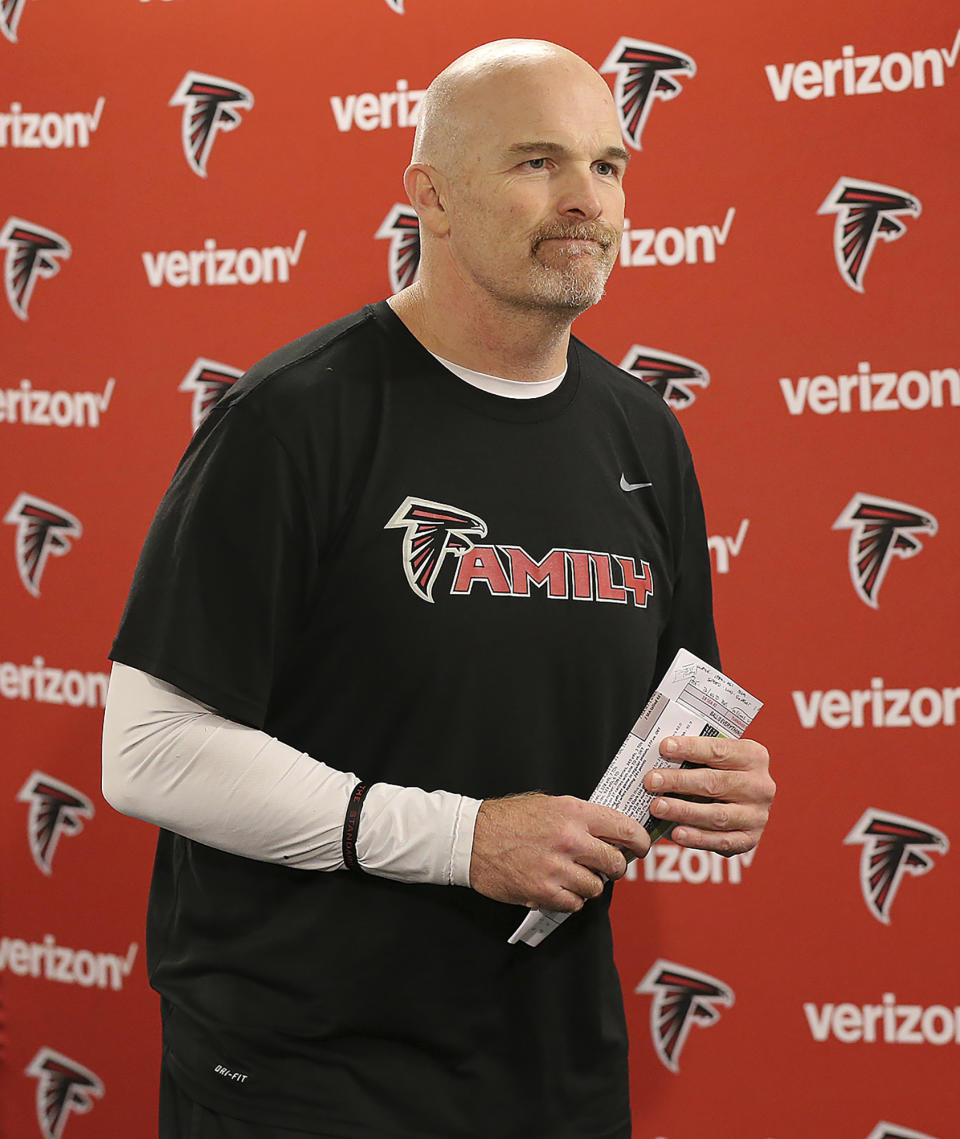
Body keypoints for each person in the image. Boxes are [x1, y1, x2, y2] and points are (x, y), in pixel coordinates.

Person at [102, 38, 775, 1139]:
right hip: (310, 1070)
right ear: (431, 195)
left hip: (554, 1064)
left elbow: (668, 716)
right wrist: (461, 837)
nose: (584, 202)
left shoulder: (644, 432)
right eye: (536, 162)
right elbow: (148, 747)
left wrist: (715, 781)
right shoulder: (292, 419)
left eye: (608, 166)